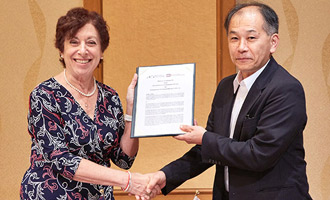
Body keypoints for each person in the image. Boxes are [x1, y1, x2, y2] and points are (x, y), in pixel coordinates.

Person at [146, 2, 312, 200]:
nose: (241, 47)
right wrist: (165, 176)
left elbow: (259, 154)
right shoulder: (225, 87)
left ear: (273, 42)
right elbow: (208, 150)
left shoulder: (285, 89)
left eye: (251, 38)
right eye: (234, 38)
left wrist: (205, 138)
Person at [20, 7, 154, 200]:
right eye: (74, 42)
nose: (82, 50)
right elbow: (62, 161)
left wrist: (132, 111)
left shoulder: (110, 97)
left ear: (101, 52)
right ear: (61, 50)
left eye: (91, 43)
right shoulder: (44, 95)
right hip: (51, 195)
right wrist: (127, 181)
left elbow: (124, 160)